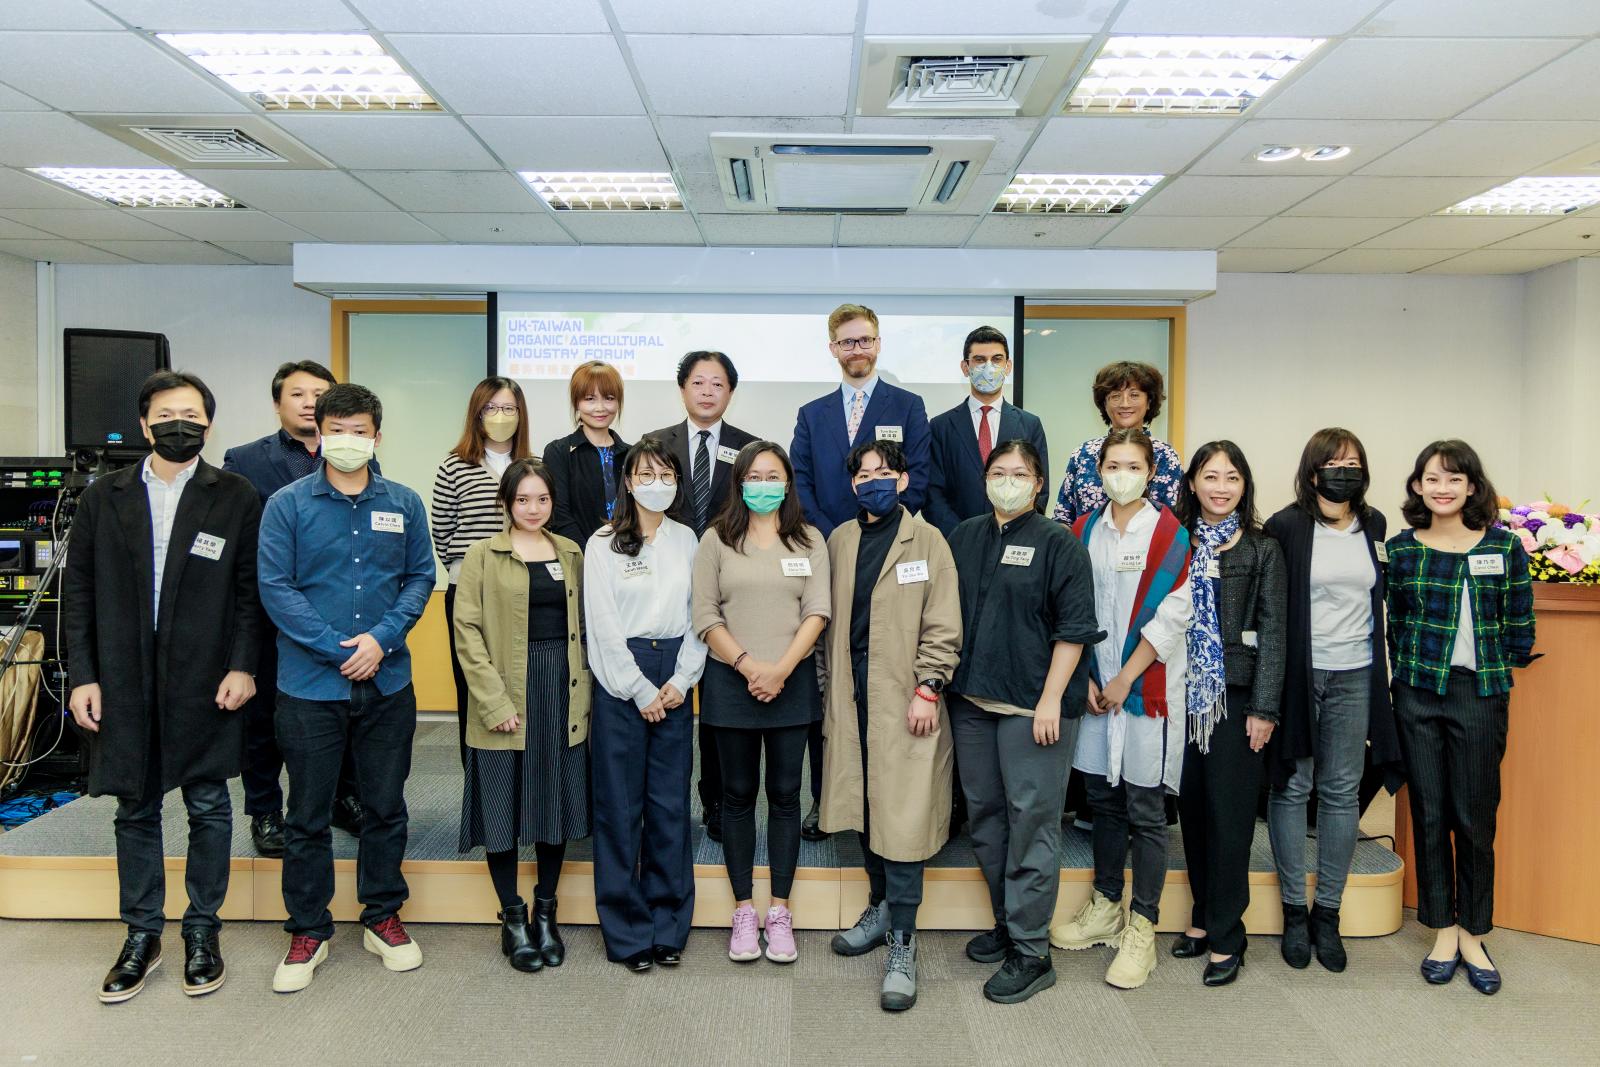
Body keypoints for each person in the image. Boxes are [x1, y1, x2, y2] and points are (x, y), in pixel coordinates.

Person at [64, 370, 261, 1004]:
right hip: (123, 675)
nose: (182, 424)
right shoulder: (104, 496)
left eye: (193, 415)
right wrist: (84, 675)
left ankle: (203, 930)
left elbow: (248, 594)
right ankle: (142, 933)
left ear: (208, 423)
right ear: (145, 424)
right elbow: (80, 595)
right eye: (168, 414)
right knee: (134, 808)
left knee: (208, 805)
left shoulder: (235, 495)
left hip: (206, 675)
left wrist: (243, 665)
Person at [257, 383, 435, 994]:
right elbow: (276, 587)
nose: (348, 441)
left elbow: (420, 577)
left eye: (360, 431)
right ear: (319, 436)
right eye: (337, 430)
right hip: (310, 686)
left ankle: (382, 916)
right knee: (306, 814)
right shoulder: (286, 505)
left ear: (376, 437)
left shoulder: (405, 503)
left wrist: (380, 640)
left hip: (388, 679)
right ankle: (309, 928)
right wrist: (338, 647)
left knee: (385, 806)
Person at [946, 439, 1102, 1005]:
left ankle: (1033, 951)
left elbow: (1075, 629)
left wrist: (1051, 700)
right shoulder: (964, 535)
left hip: (1034, 709)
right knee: (985, 817)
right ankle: (1007, 923)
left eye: (1020, 474)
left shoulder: (1060, 544)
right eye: (998, 472)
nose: (1008, 481)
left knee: (1032, 820)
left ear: (1039, 484)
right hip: (972, 703)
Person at [1386, 440, 1535, 996]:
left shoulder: (1505, 546)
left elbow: (1520, 619)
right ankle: (1442, 929)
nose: (1442, 488)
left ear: (1472, 486)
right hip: (1420, 693)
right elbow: (1396, 622)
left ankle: (1474, 932)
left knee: (1474, 816)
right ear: (1418, 487)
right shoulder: (1402, 550)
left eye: (1454, 479)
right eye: (1432, 479)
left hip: (1481, 693)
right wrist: (1408, 675)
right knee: (1428, 813)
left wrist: (1503, 663)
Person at [820, 440, 961, 1012]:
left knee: (902, 824)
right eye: (864, 473)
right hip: (851, 699)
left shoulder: (928, 542)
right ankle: (879, 908)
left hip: (908, 701)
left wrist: (929, 686)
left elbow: (944, 624)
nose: (874, 480)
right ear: (853, 485)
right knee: (864, 808)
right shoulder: (840, 540)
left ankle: (903, 939)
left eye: (885, 471)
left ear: (903, 480)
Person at [1051, 427, 1190, 992]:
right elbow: (1071, 605)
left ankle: (1143, 924)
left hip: (1144, 688)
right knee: (1104, 800)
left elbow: (1174, 617)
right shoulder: (1084, 530)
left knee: (1145, 807)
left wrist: (1123, 678)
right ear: (1099, 471)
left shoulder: (1172, 535)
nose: (1122, 473)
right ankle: (1106, 904)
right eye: (1113, 464)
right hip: (1095, 684)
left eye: (1133, 465)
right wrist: (1087, 675)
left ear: (1151, 472)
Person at [1263, 428, 1404, 973]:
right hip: (1301, 674)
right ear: (1313, 469)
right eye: (1334, 462)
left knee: (1342, 790)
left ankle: (1329, 911)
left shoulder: (1374, 525)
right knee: (1293, 784)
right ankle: (1294, 910)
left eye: (1353, 462)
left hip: (1355, 674)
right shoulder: (1287, 526)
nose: (1344, 470)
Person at [791, 304, 931, 839]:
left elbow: (915, 479)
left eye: (866, 340)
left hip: (891, 552)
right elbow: (801, 482)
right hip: (829, 552)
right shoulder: (812, 413)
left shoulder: (908, 406)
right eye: (847, 342)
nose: (858, 349)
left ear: (879, 344)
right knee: (826, 677)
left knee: (882, 680)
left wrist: (875, 526)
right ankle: (826, 802)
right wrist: (836, 537)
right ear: (833, 348)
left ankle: (883, 803)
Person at [691, 441, 830, 965]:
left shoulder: (808, 539)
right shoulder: (716, 540)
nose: (764, 483)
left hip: (792, 682)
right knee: (738, 795)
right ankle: (744, 911)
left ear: (788, 483)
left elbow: (818, 611)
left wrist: (781, 669)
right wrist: (750, 667)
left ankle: (780, 910)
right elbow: (705, 616)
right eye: (755, 475)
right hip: (732, 682)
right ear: (739, 483)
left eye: (774, 475)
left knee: (787, 794)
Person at [223, 359, 368, 857]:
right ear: (278, 403)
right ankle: (265, 810)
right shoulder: (244, 460)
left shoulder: (354, 456)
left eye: (319, 394)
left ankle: (341, 798)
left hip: (339, 612)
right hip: (271, 610)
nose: (309, 403)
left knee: (343, 710)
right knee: (263, 717)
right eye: (298, 395)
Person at [1154, 442, 1286, 987]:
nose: (1221, 487)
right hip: (1182, 694)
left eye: (1231, 477)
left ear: (1243, 485)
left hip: (1235, 699)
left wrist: (1264, 707)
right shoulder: (1176, 542)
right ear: (1192, 484)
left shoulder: (1262, 549)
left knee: (1231, 821)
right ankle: (1205, 920)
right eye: (1210, 476)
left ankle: (1230, 938)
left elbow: (1274, 631)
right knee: (1196, 815)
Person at [453, 458, 590, 974]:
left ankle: (546, 912)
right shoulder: (482, 555)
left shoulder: (571, 552)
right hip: (505, 691)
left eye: (543, 499)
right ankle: (513, 917)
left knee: (554, 806)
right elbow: (465, 631)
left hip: (561, 690)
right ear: (505, 504)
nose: (534, 509)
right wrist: (493, 701)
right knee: (503, 809)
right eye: (523, 500)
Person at [585, 439, 708, 972]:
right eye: (645, 473)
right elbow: (603, 625)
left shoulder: (689, 540)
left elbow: (701, 614)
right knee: (619, 808)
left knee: (669, 806)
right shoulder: (603, 542)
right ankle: (627, 932)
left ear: (677, 482)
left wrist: (682, 680)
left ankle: (667, 924)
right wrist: (638, 688)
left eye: (666, 473)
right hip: (621, 678)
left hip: (676, 672)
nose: (656, 481)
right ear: (628, 482)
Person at [643, 351, 758, 845]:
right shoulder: (655, 445)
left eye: (717, 384)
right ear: (683, 389)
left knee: (716, 704)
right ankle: (658, 805)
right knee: (660, 694)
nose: (707, 391)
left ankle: (715, 801)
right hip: (661, 585)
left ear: (730, 392)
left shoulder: (748, 447)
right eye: (698, 382)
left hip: (727, 585)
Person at [432, 376, 533, 767]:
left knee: (518, 686)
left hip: (522, 591)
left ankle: (521, 785)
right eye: (491, 408)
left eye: (509, 408)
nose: (500, 416)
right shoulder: (454, 466)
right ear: (476, 414)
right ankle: (478, 783)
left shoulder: (532, 464)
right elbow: (442, 533)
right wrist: (473, 572)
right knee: (474, 688)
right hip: (470, 590)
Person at [925, 326, 1049, 537]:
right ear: (966, 367)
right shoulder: (940, 426)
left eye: (997, 359)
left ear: (1008, 366)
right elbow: (932, 493)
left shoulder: (1030, 424)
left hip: (1017, 539)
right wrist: (961, 535)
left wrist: (1018, 530)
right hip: (958, 541)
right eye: (980, 360)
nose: (989, 367)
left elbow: (1039, 490)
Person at [1051, 361, 1183, 525]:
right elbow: (1063, 516)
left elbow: (1173, 520)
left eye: (1134, 395)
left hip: (1148, 549)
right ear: (1104, 404)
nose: (1125, 403)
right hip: (1084, 547)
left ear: (1149, 401)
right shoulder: (1083, 454)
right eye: (1115, 396)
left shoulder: (1165, 455)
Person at [543, 360, 630, 547]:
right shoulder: (558, 452)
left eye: (609, 398)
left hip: (629, 559)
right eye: (590, 399)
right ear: (576, 403)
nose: (600, 407)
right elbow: (560, 515)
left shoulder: (631, 454)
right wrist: (589, 556)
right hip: (579, 559)